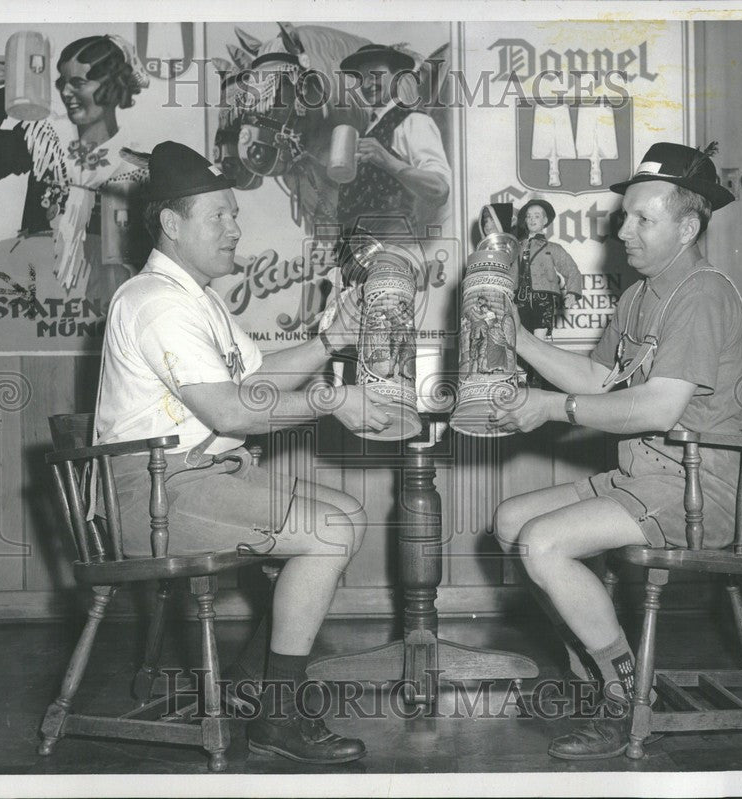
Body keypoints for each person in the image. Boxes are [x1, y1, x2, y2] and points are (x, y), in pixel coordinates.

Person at [95, 141, 393, 765]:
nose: (235, 228)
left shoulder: (196, 298)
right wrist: (333, 400)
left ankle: (258, 690)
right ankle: (278, 718)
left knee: (345, 516)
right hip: (153, 495)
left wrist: (328, 340)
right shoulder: (154, 302)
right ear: (172, 225)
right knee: (332, 529)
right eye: (220, 217)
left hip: (191, 481)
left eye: (235, 214)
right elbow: (231, 411)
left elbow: (255, 382)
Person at [491, 142, 742, 760]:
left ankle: (627, 696)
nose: (622, 229)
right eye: (624, 216)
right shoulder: (639, 294)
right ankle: (596, 675)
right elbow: (599, 382)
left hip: (694, 492)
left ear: (688, 226)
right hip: (642, 481)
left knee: (544, 542)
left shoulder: (702, 293)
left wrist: (549, 407)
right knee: (510, 523)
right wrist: (516, 338)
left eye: (641, 219)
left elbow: (657, 408)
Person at [0, 34, 151, 306]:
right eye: (63, 82)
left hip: (106, 309)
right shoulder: (45, 138)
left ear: (112, 87)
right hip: (40, 303)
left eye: (78, 83)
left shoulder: (138, 161)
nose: (65, 92)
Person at [335, 43, 452, 239]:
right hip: (355, 249)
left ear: (397, 76)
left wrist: (387, 161)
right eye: (361, 78)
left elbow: (439, 189)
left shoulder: (414, 121)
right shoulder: (367, 130)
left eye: (375, 75)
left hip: (393, 246)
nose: (366, 84)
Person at [514, 198, 583, 341]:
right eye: (529, 216)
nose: (532, 219)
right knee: (521, 341)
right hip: (520, 299)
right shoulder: (517, 247)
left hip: (543, 300)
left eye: (537, 216)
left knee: (538, 343)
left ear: (545, 221)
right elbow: (511, 273)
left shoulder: (552, 248)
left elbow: (571, 269)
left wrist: (572, 292)